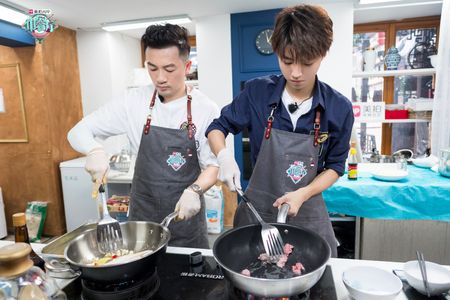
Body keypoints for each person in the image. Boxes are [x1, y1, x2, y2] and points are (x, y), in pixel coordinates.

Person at [206, 4, 354, 257]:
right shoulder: (257, 92)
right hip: (258, 214)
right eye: (287, 61)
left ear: (323, 54)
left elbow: (335, 166)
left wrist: (303, 193)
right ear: (276, 53)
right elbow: (217, 128)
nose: (296, 73)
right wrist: (223, 157)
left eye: (307, 63)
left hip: (307, 211)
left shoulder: (339, 107)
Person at [68, 24, 219, 248]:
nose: (160, 78)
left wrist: (194, 191)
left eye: (169, 69)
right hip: (142, 218)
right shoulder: (132, 102)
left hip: (185, 215)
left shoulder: (205, 108)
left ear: (187, 66)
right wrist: (94, 150)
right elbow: (77, 131)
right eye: (152, 68)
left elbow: (213, 166)